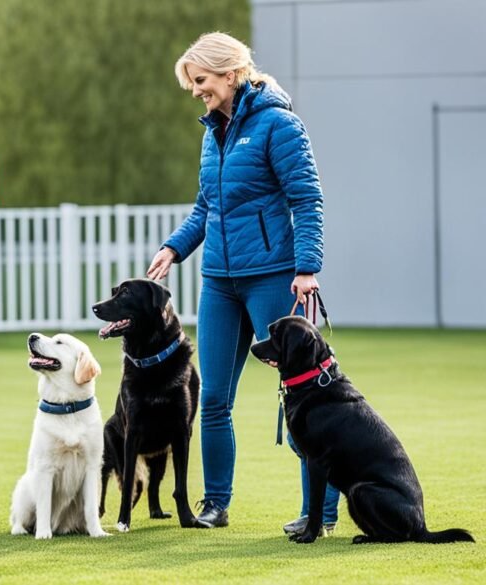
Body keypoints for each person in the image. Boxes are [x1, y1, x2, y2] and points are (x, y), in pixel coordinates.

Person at [146, 32, 340, 529]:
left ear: (231, 74)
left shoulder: (279, 125)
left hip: (273, 278)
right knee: (211, 398)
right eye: (192, 83)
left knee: (304, 395)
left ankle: (320, 511)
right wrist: (174, 247)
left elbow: (307, 200)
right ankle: (216, 504)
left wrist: (306, 268)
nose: (195, 91)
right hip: (219, 284)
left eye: (202, 80)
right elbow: (206, 208)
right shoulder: (212, 134)